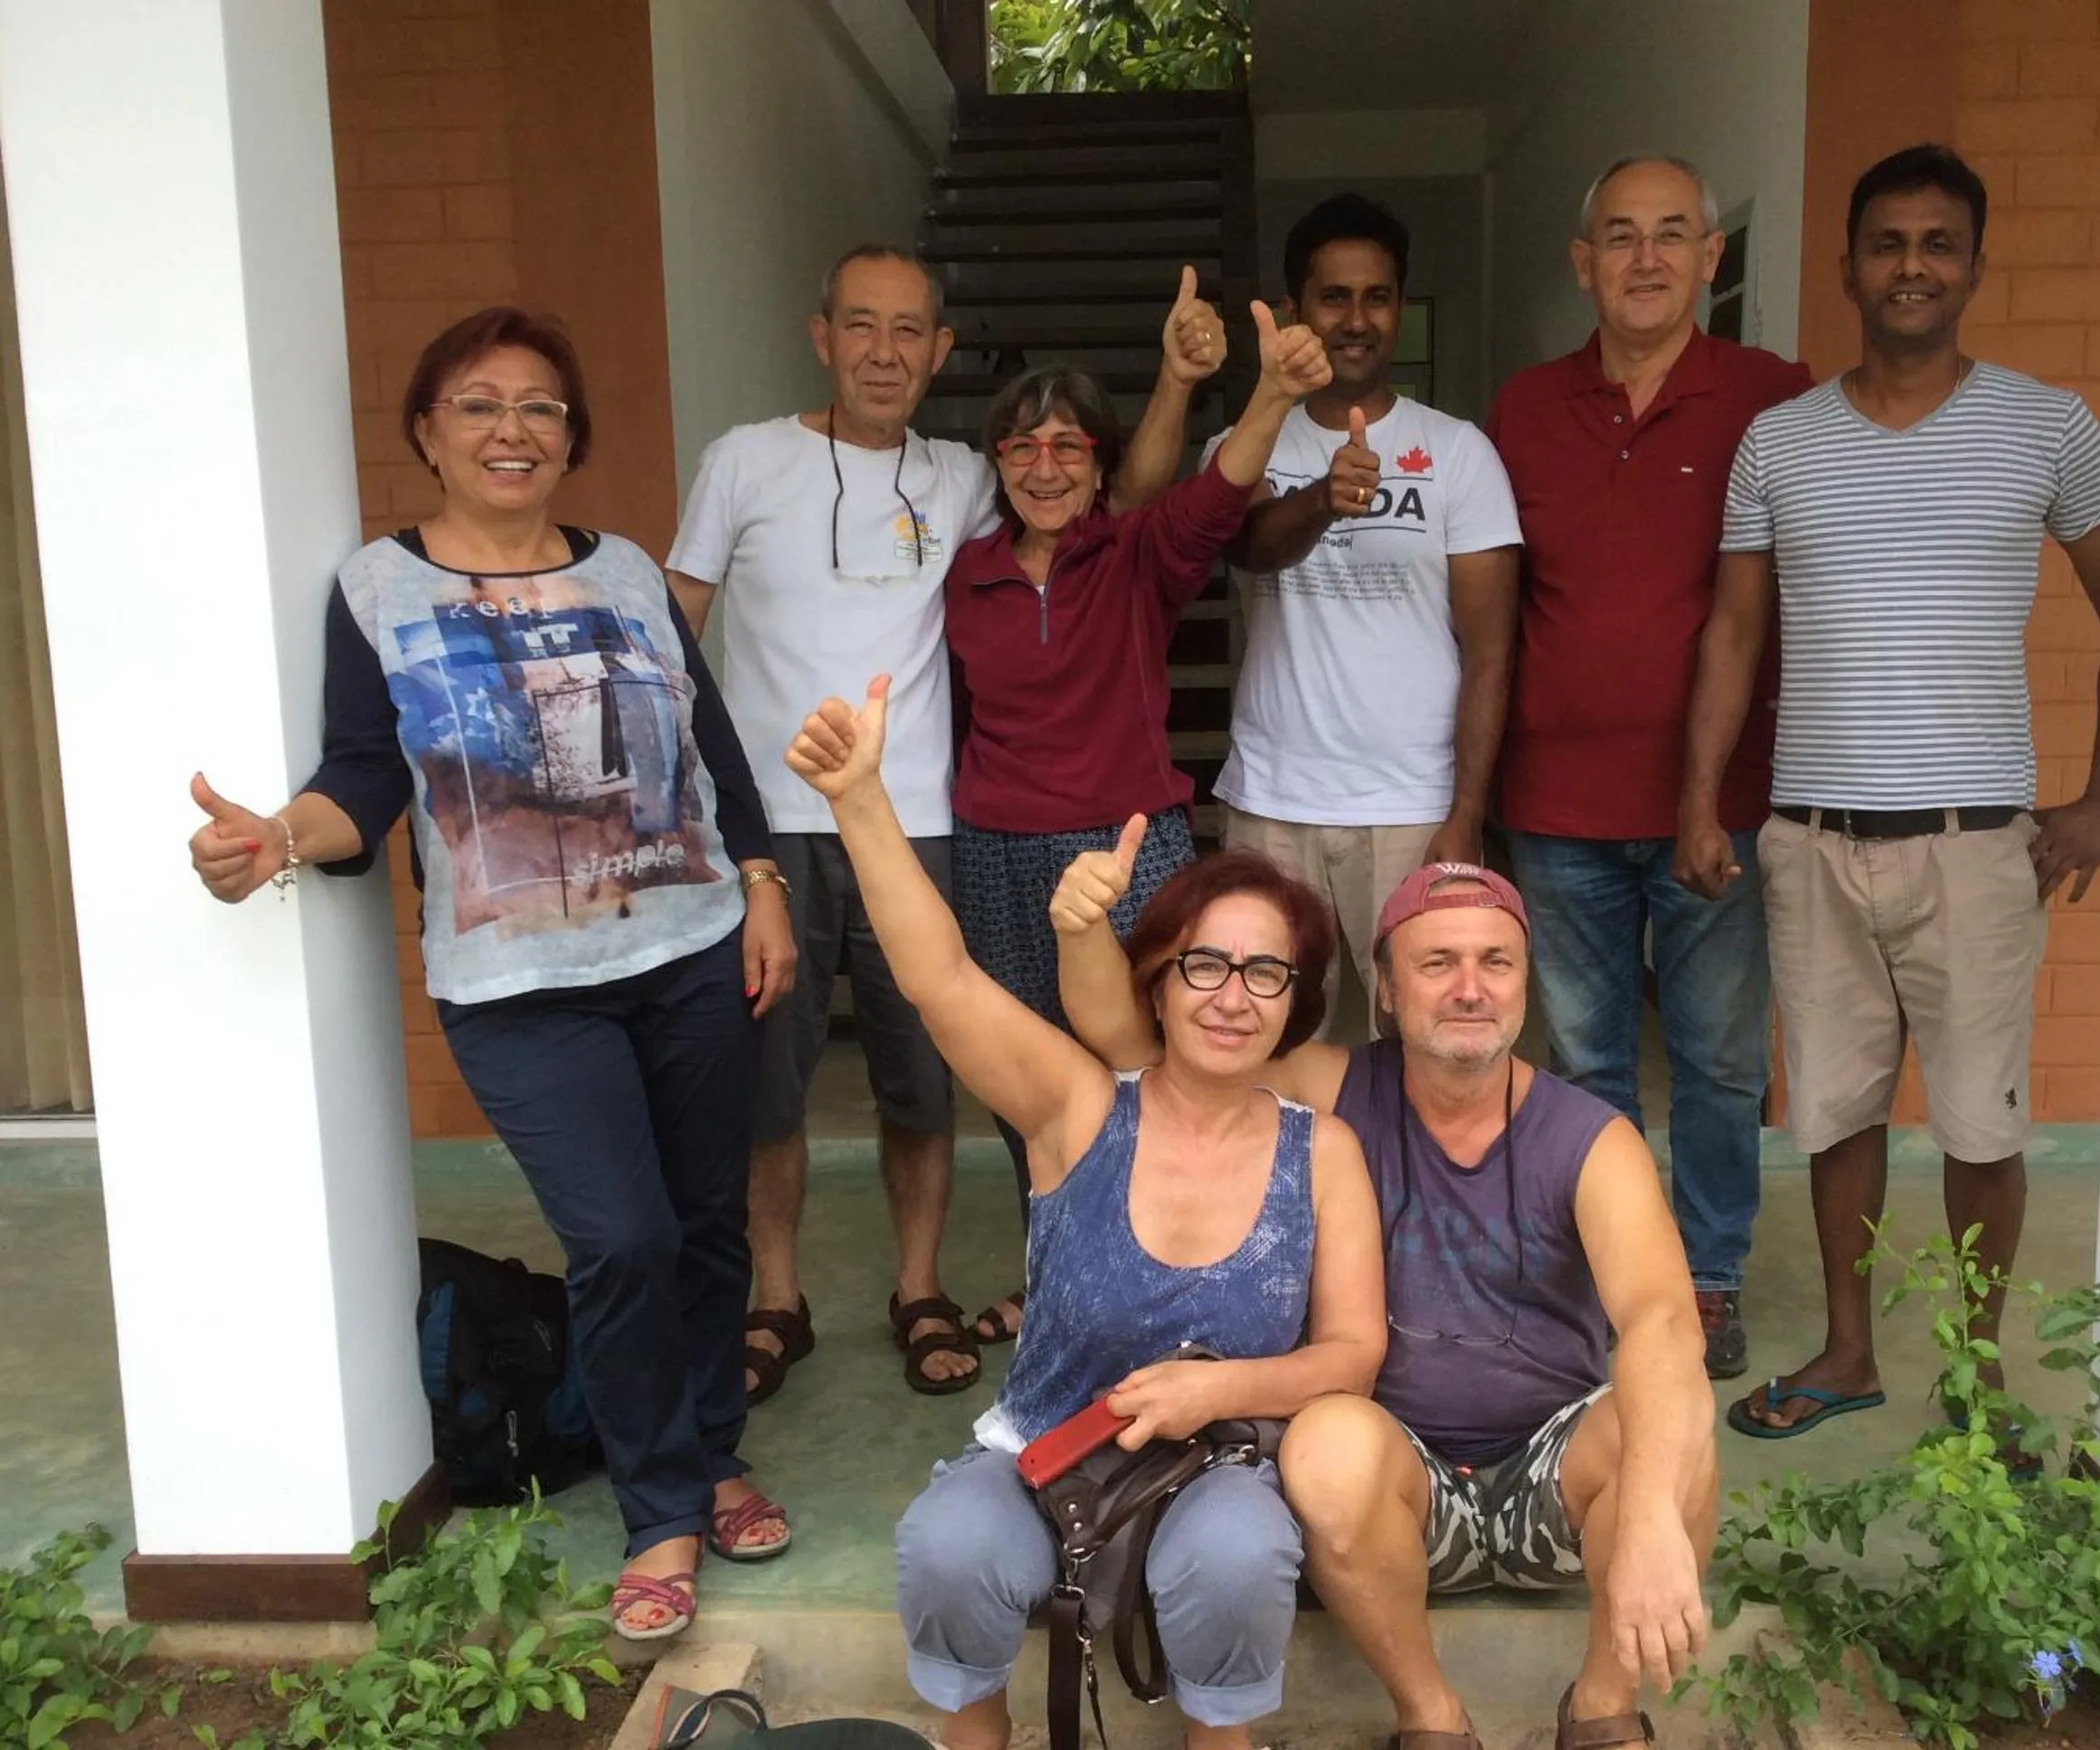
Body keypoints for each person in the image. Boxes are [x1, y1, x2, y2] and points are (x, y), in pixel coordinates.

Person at [187, 308, 794, 1641]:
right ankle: (663, 1509)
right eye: (479, 405)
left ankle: (712, 1447)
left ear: (572, 436)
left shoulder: (627, 569)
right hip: (519, 985)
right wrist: (278, 836)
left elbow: (714, 752)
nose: (513, 430)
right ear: (427, 430)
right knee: (620, 1237)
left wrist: (761, 884)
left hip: (691, 948)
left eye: (541, 408)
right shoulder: (376, 589)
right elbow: (363, 772)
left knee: (704, 1225)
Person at [781, 676, 1386, 1750]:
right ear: (1157, 979)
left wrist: (1224, 1390)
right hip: (1044, 1454)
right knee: (948, 1543)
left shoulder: (1321, 1151)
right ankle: (981, 1737)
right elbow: (942, 980)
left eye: (1266, 973)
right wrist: (861, 801)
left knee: (1240, 1557)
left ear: (1299, 1002)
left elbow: (1354, 1352)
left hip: (1220, 1469)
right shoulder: (1075, 1108)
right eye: (1205, 963)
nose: (1232, 996)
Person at [665, 247, 1214, 1395]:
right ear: (822, 336)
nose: (883, 351)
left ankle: (919, 1286)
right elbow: (676, 635)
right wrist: (686, 810)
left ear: (941, 351)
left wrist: (1176, 385)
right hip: (772, 824)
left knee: (925, 1072)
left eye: (908, 330)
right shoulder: (743, 462)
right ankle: (778, 1295)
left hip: (922, 825)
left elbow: (1132, 491)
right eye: (860, 326)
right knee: (775, 1076)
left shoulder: (970, 474)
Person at [1054, 849, 1717, 1748]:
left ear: (1528, 979)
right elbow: (1132, 1043)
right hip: (1393, 1494)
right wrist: (1082, 927)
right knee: (1326, 1438)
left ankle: (1602, 1705)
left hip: (1550, 1479)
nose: (1469, 988)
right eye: (1436, 962)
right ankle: (1430, 1714)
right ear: (1390, 988)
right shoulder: (1331, 1090)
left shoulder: (1590, 1137)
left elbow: (1663, 1322)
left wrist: (1645, 1518)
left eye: (1496, 961)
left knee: (1675, 1421)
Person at [1676, 145, 2100, 1441]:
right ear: (1850, 266)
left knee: (1982, 1118)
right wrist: (1701, 797)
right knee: (1832, 1106)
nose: (1914, 265)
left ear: (1975, 265)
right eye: (1890, 243)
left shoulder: (2049, 426)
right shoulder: (1782, 440)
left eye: (1940, 244)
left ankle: (1977, 1373)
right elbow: (1731, 635)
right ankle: (1847, 1348)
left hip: (1978, 843)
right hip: (1814, 836)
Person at [1484, 156, 1813, 1382]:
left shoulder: (1775, 401)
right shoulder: (1521, 407)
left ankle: (1710, 1274)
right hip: (1556, 806)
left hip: (1716, 806)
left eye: (1673, 233)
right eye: (1619, 235)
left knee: (1724, 1059)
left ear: (1712, 256)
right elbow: (1494, 604)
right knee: (1585, 1060)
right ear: (1583, 262)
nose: (1646, 257)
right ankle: (1616, 1270)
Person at [941, 298, 1335, 1318]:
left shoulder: (1136, 556)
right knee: (1020, 1077)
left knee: (1153, 1063)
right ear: (997, 460)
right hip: (995, 855)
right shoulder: (966, 574)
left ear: (1102, 464)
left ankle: (1171, 1267)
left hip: (1128, 849)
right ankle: (1056, 1279)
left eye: (1069, 445)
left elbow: (1218, 493)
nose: (1044, 466)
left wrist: (1274, 394)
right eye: (1022, 445)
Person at [1207, 194, 1521, 1027]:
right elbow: (1243, 545)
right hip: (1273, 801)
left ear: (1400, 308)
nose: (1356, 318)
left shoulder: (1459, 452)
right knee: (1268, 1041)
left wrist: (1466, 814)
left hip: (1414, 809)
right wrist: (1321, 499)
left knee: (1423, 1037)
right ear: (1293, 312)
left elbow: (1490, 651)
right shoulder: (1244, 444)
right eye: (1333, 297)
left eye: (1376, 297)